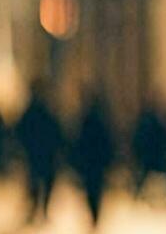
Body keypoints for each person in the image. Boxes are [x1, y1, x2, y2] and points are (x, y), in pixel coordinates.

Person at [16, 83, 63, 222]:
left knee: (42, 183)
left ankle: (40, 210)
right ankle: (36, 211)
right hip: (38, 154)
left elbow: (55, 132)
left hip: (43, 154)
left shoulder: (40, 112)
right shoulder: (35, 113)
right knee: (37, 184)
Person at [71, 94, 116, 224]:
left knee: (92, 190)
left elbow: (80, 143)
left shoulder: (87, 123)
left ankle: (94, 215)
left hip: (90, 163)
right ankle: (95, 215)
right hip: (96, 163)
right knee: (95, 190)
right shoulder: (99, 122)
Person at [131, 101, 166, 199]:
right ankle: (150, 197)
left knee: (154, 177)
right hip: (153, 157)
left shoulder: (149, 126)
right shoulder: (155, 126)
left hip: (151, 157)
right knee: (155, 177)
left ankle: (147, 196)